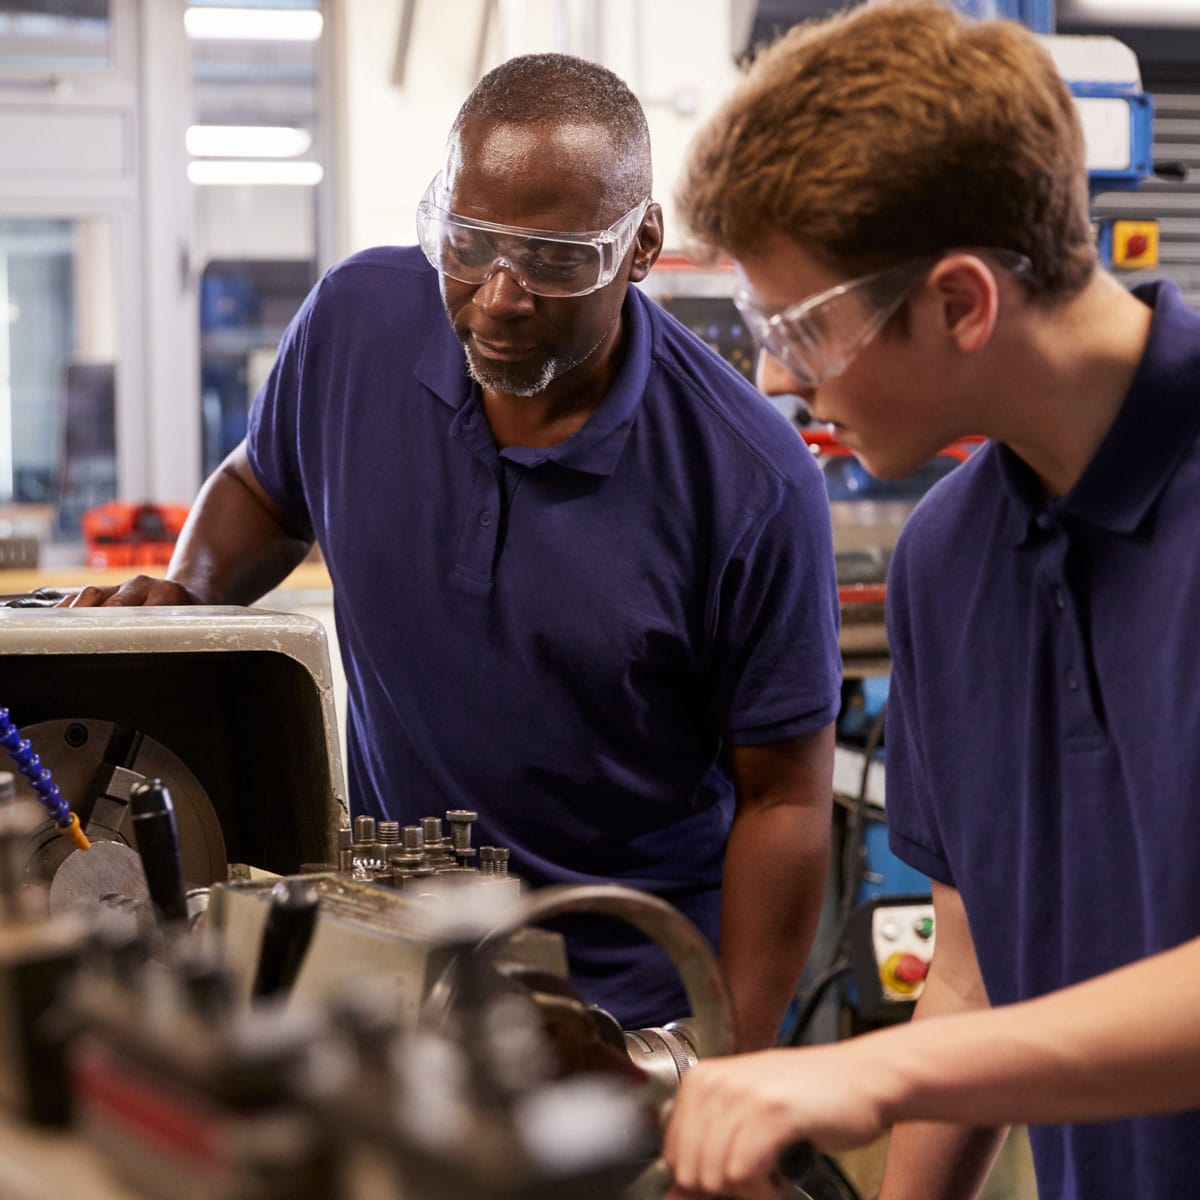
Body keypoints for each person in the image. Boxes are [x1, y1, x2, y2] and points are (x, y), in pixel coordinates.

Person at [67, 53, 842, 1045]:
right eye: (468, 243)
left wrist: (721, 1060)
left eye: (555, 259)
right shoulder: (358, 324)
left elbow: (784, 797)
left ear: (641, 244)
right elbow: (264, 484)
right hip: (390, 959)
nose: (499, 296)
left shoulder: (749, 479)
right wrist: (188, 599)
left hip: (624, 1006)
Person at [662, 2, 1200, 1197]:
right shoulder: (950, 565)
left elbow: (951, 1052)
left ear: (960, 302)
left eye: (804, 325)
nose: (773, 375)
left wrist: (887, 1076)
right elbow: (972, 973)